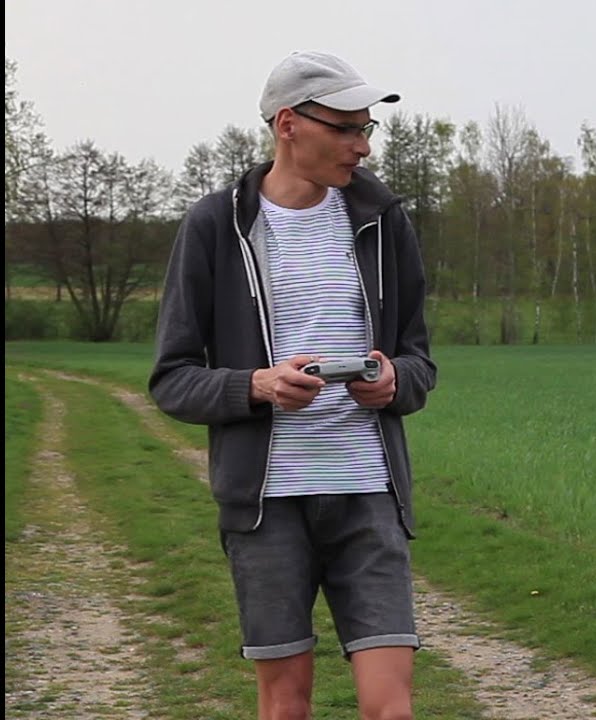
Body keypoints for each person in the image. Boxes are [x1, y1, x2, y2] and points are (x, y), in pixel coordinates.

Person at [149, 50, 435, 720]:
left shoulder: (384, 222)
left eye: (367, 129)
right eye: (345, 128)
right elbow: (172, 379)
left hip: (369, 494)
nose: (362, 146)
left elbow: (420, 362)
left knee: (389, 706)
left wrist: (393, 381)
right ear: (288, 125)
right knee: (286, 704)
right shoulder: (215, 225)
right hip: (264, 506)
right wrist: (256, 386)